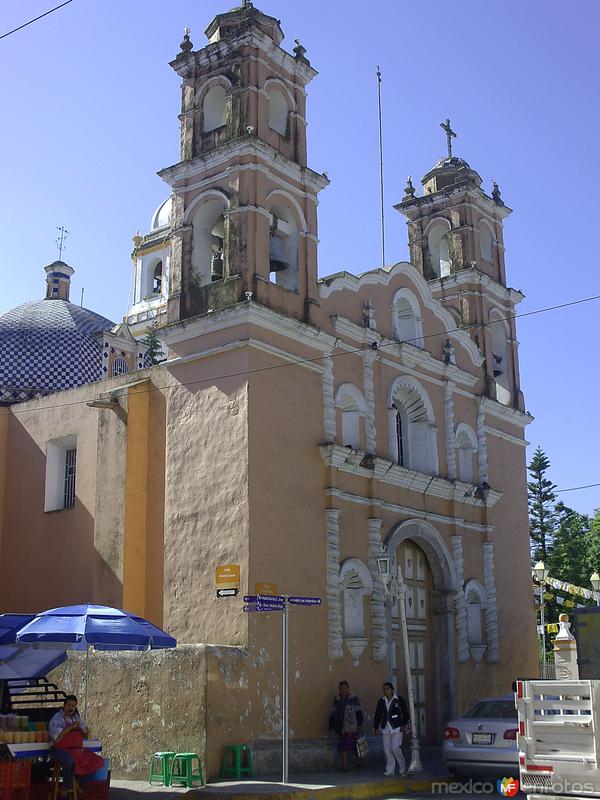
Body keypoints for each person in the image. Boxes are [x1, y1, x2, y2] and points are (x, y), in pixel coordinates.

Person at [49, 695, 104, 794]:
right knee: (69, 760)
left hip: (77, 750)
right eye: (69, 705)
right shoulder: (57, 718)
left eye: (73, 706)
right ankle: (69, 787)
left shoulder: (76, 718)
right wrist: (71, 727)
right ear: (64, 705)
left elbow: (85, 735)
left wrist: (86, 731)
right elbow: (57, 734)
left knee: (98, 761)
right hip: (59, 750)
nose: (71, 708)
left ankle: (76, 783)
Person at [373, 682, 409, 776]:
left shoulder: (399, 699)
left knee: (395, 748)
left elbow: (405, 712)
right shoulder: (381, 701)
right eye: (384, 689)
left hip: (397, 727)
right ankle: (390, 770)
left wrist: (403, 724)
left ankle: (402, 767)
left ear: (392, 690)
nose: (385, 691)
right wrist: (375, 727)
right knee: (387, 749)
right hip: (385, 727)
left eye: (387, 689)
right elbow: (378, 714)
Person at [328, 680, 364, 771]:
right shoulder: (337, 699)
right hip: (340, 726)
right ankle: (344, 766)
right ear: (339, 689)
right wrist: (331, 723)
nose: (344, 690)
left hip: (352, 726)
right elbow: (334, 711)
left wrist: (360, 724)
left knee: (354, 746)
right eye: (342, 688)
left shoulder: (353, 698)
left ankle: (359, 760)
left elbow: (358, 711)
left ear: (348, 688)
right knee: (342, 746)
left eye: (345, 688)